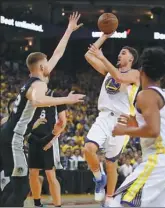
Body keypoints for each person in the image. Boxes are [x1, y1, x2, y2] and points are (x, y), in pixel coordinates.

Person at [0, 12, 85, 207]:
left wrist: (69, 31)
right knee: (20, 187)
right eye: (47, 63)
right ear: (40, 66)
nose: (51, 64)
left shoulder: (36, 78)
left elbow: (58, 53)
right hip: (14, 138)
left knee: (14, 186)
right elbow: (38, 101)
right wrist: (67, 99)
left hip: (10, 135)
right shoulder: (38, 84)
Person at [111, 47, 165, 207]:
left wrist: (124, 130)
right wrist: (136, 125)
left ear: (141, 70)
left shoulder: (146, 95)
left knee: (117, 204)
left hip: (158, 162)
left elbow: (153, 130)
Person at [84, 32, 140, 206]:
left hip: (121, 122)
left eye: (124, 53)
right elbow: (88, 55)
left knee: (111, 162)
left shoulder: (135, 74)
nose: (119, 54)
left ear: (131, 59)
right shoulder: (108, 71)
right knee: (88, 149)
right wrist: (104, 37)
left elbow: (120, 77)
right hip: (104, 116)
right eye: (120, 52)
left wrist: (102, 57)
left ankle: (109, 200)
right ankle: (98, 178)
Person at [27, 87, 67, 207]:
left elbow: (63, 122)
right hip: (33, 138)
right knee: (33, 173)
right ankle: (37, 203)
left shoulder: (56, 95)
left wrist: (53, 140)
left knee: (50, 174)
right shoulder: (32, 95)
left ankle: (57, 205)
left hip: (49, 138)